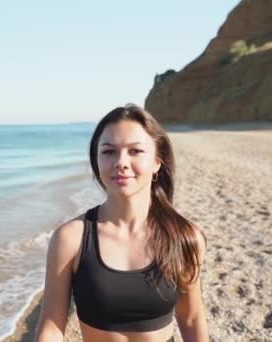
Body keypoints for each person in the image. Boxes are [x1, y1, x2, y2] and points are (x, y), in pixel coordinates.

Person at [36, 104, 208, 342]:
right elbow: (51, 326)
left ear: (158, 161)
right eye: (108, 152)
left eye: (135, 151)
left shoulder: (184, 238)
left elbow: (191, 319)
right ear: (96, 161)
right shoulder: (71, 238)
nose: (121, 162)